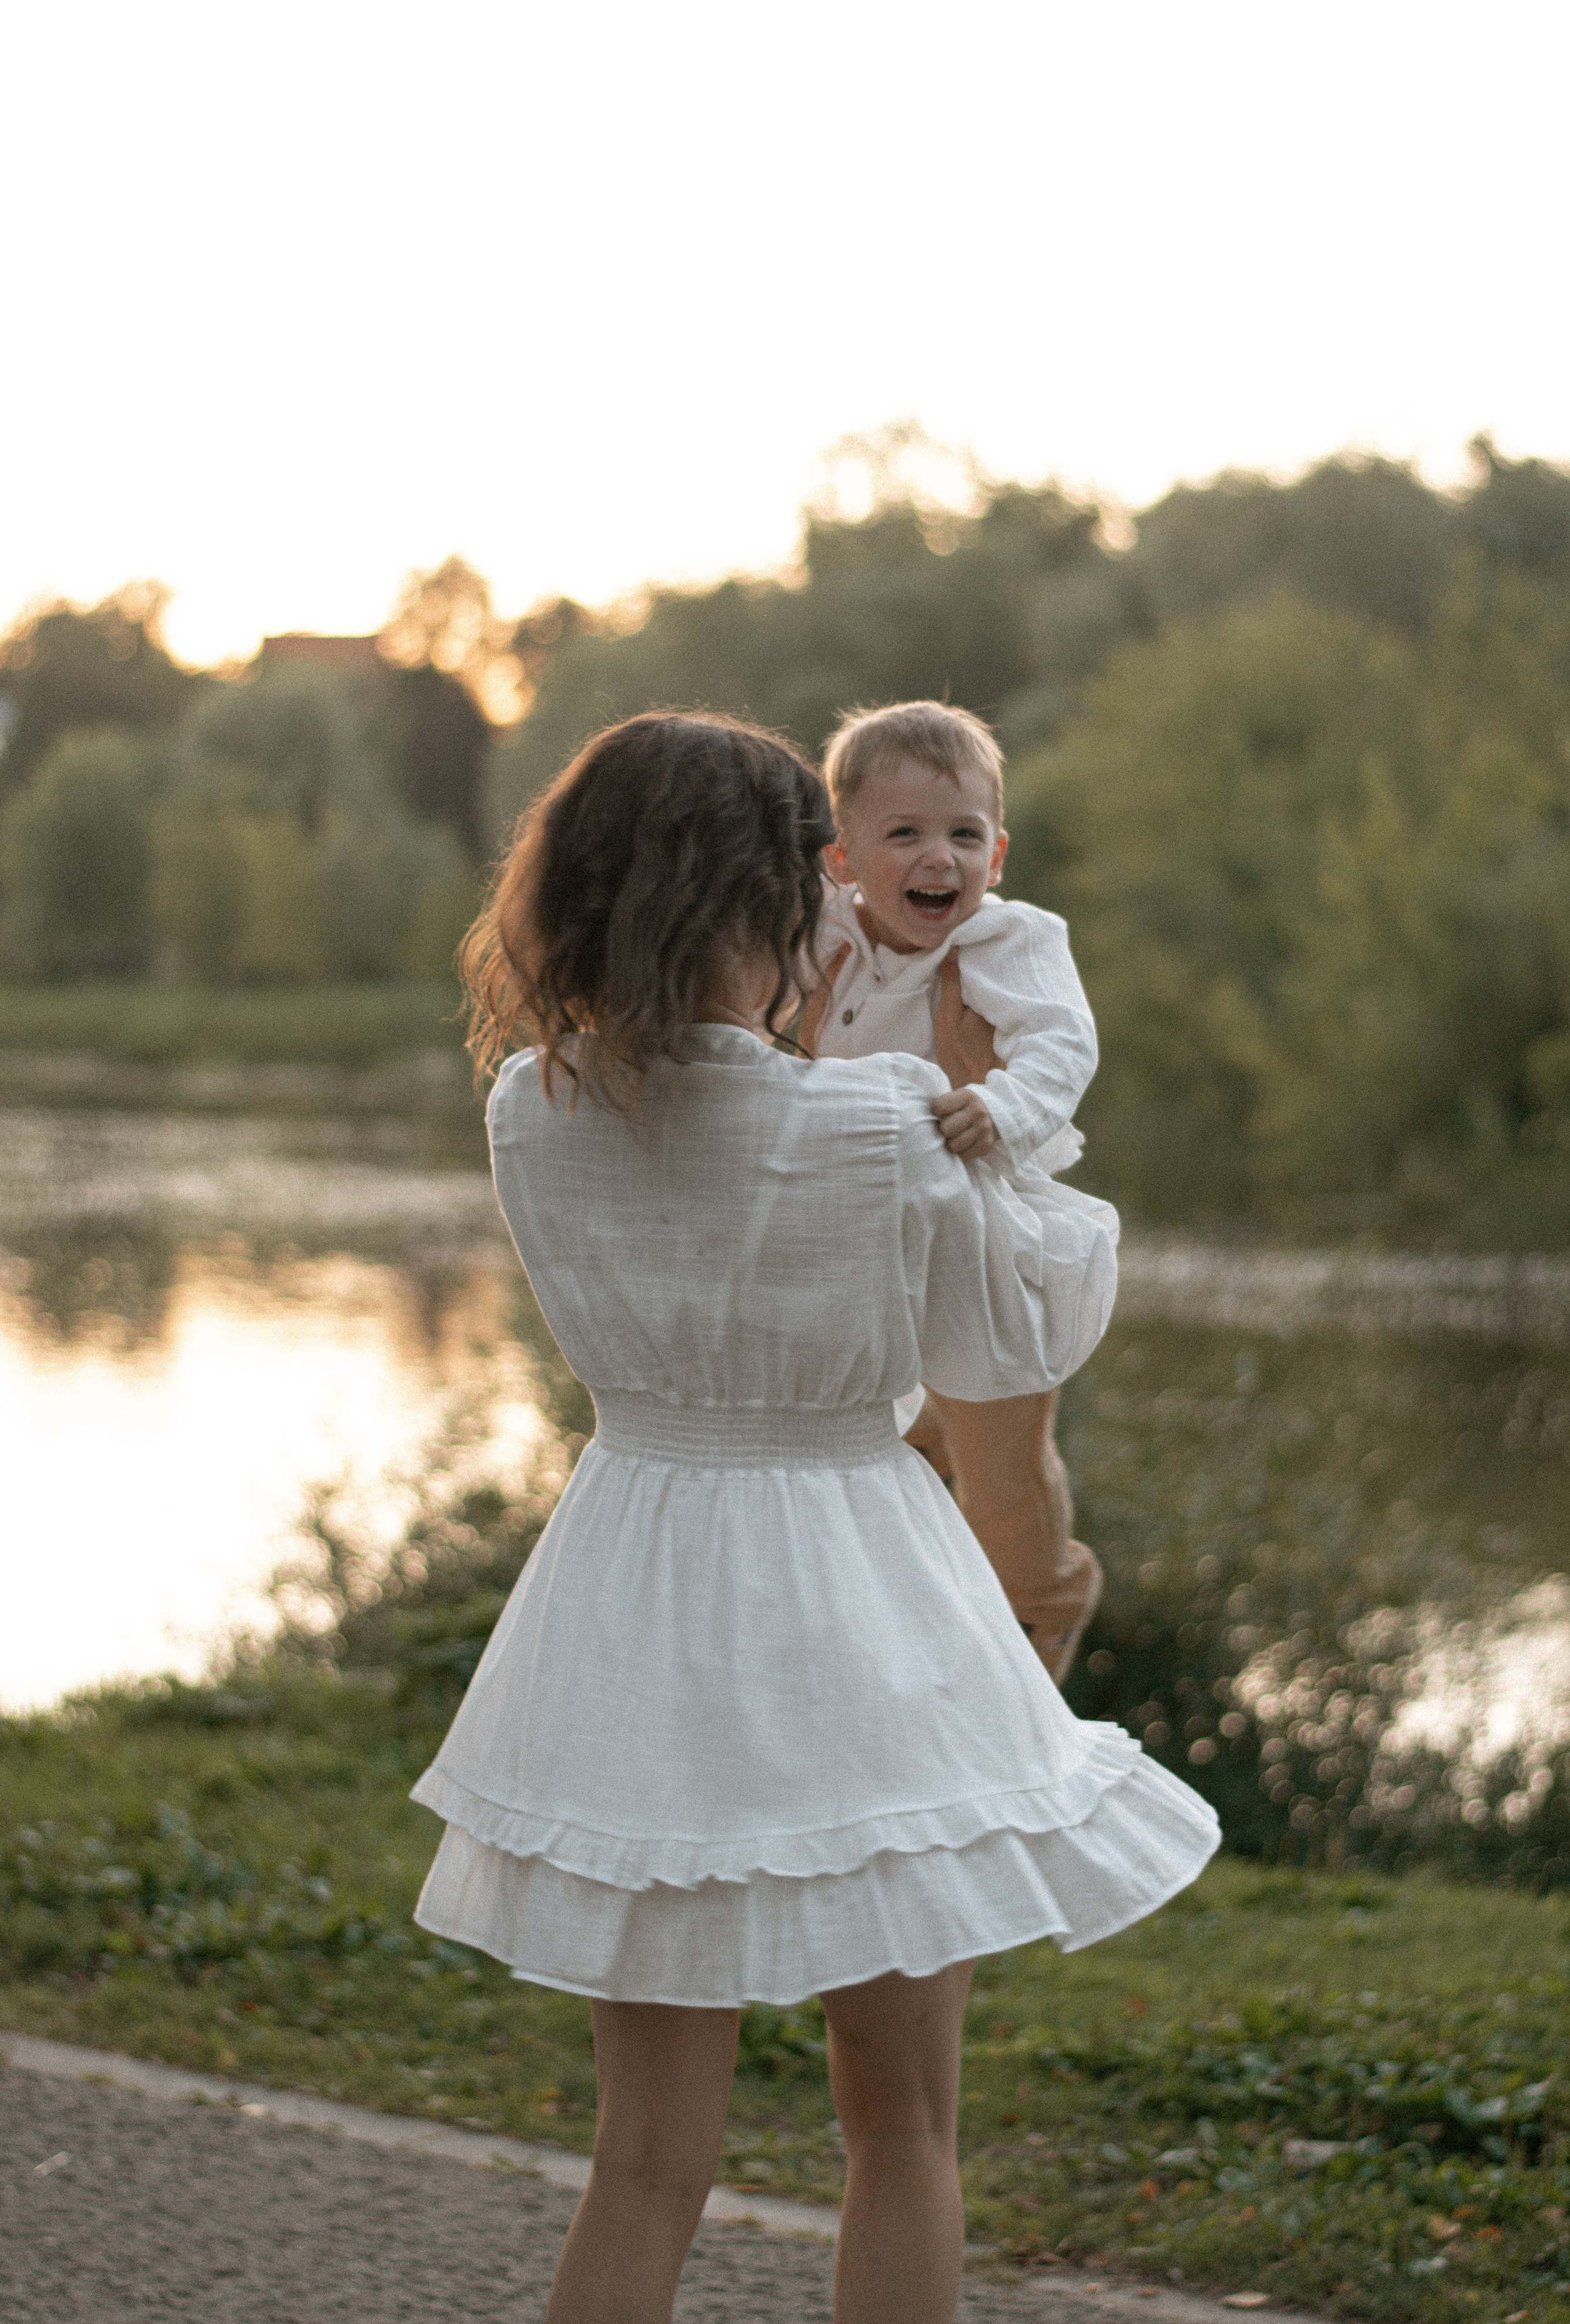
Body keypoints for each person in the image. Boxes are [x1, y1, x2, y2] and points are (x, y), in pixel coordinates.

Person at [410, 712, 1218, 2324]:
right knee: (900, 2133)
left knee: (643, 2160)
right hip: (861, 1601)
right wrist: (987, 1125)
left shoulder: (529, 1109)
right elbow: (1008, 1341)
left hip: (632, 1595)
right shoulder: (879, 1119)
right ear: (779, 899)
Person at [801, 700, 1107, 1683]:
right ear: (842, 857)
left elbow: (1062, 1044)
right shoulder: (818, 933)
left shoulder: (1005, 941)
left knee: (1000, 1461)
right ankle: (896, 1642)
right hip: (860, 1241)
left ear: (998, 855)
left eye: (965, 836)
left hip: (984, 1241)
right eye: (905, 834)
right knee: (882, 1439)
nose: (940, 858)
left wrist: (1003, 1106)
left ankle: (1042, 1607)